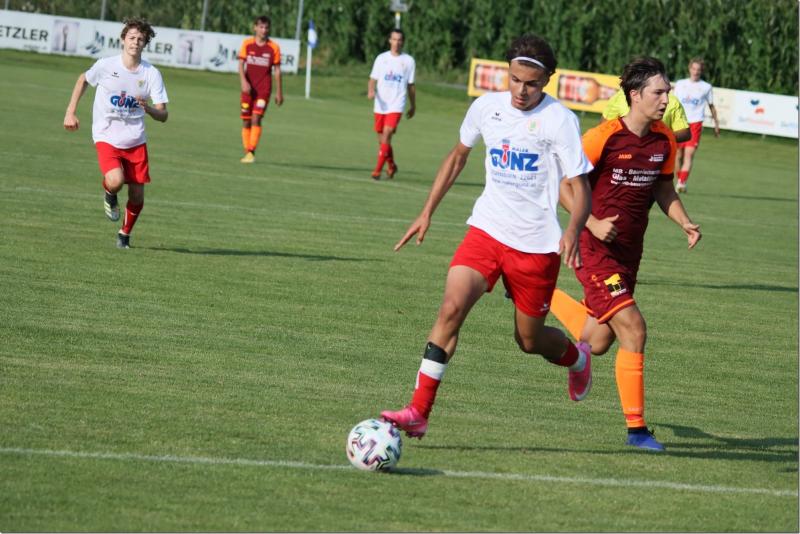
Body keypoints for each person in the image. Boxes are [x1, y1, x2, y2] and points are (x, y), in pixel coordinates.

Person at [380, 35, 594, 440]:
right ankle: (419, 411)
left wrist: (574, 229)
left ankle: (576, 359)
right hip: (486, 231)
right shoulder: (486, 107)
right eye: (514, 79)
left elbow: (579, 186)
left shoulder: (560, 120)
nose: (520, 90)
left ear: (547, 80)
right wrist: (426, 212)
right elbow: (457, 156)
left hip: (535, 246)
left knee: (528, 341)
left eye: (531, 83)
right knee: (450, 309)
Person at [555, 57, 702, 452]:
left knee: (599, 340)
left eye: (668, 90)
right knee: (634, 328)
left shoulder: (663, 141)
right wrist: (591, 223)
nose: (666, 97)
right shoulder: (602, 137)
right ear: (635, 96)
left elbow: (663, 190)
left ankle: (531, 294)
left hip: (629, 253)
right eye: (659, 91)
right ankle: (637, 430)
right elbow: (563, 186)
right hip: (594, 248)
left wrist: (684, 221)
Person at [63, 18, 169, 249]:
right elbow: (83, 79)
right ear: (123, 40)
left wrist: (149, 108)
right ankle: (109, 193)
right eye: (131, 37)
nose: (135, 42)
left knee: (138, 196)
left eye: (140, 39)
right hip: (107, 135)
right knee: (116, 180)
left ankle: (124, 234)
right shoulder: (106, 65)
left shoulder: (152, 74)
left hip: (136, 140)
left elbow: (164, 114)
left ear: (145, 43)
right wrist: (70, 112)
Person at [367, 29, 416, 180]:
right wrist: (370, 91)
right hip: (381, 104)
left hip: (397, 104)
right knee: (382, 140)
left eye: (399, 40)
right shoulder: (381, 58)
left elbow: (411, 85)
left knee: (387, 133)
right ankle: (392, 165)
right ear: (389, 40)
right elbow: (372, 79)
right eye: (394, 39)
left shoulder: (408, 61)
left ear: (403, 42)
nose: (396, 42)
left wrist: (413, 105)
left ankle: (377, 171)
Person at [238, 16, 283, 164]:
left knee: (256, 118)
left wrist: (279, 92)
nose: (264, 30)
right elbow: (240, 65)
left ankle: (251, 151)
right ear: (255, 28)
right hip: (248, 89)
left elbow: (277, 71)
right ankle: (247, 152)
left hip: (264, 89)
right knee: (246, 121)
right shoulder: (247, 44)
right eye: (261, 27)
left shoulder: (273, 47)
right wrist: (244, 82)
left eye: (266, 28)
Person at [673, 57, 720, 192]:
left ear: (701, 71)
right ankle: (680, 179)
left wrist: (716, 125)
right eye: (694, 69)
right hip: (679, 122)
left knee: (689, 155)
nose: (696, 72)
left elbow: (711, 106)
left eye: (698, 69)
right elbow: (673, 103)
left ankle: (681, 182)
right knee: (678, 155)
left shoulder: (706, 87)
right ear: (689, 69)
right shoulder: (680, 84)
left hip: (695, 124)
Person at [602, 88, 691, 143]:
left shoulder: (671, 100)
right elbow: (603, 127)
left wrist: (659, 138)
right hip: (622, 157)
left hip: (655, 160)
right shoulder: (621, 96)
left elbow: (685, 133)